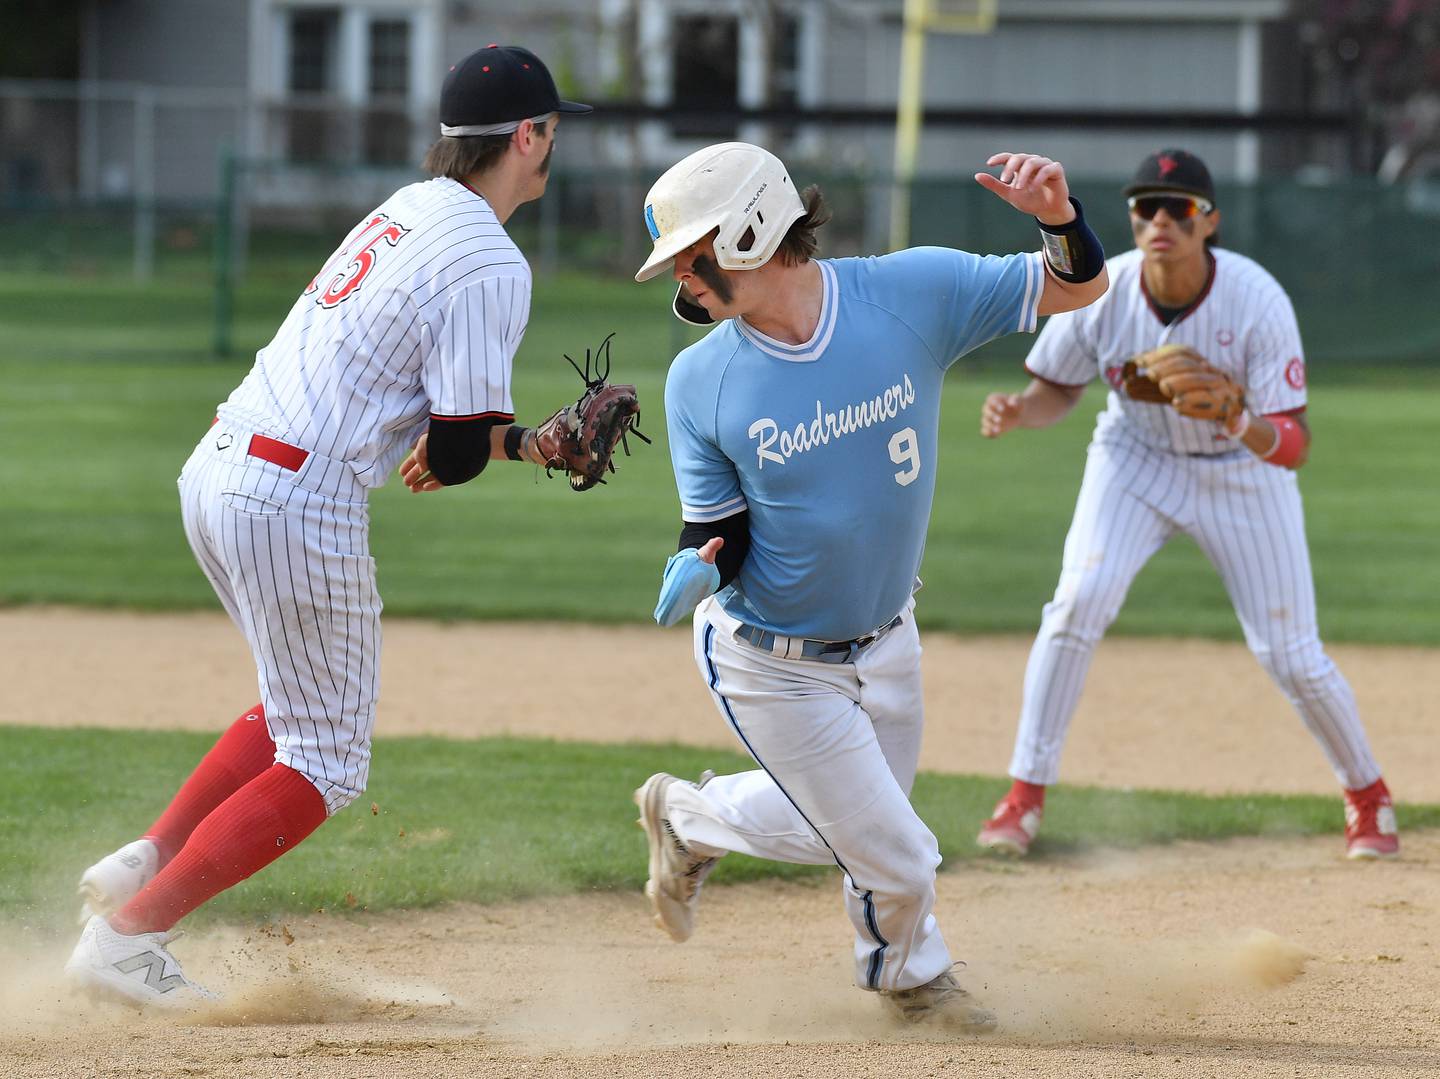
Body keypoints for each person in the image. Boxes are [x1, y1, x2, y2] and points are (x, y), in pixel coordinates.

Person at [66, 44, 596, 1008]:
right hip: (293, 499)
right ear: (525, 136)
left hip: (223, 464)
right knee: (327, 761)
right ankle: (130, 938)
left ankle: (144, 860)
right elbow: (459, 446)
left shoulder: (405, 210)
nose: (552, 147)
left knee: (288, 711)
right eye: (550, 130)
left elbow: (431, 419)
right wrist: (530, 445)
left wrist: (507, 442)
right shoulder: (488, 257)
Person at [630, 142, 1109, 1030]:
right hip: (769, 660)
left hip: (888, 635)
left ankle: (691, 820)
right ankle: (910, 981)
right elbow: (719, 526)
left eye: (693, 259)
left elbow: (1075, 288)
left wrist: (1057, 218)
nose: (683, 283)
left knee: (842, 828)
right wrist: (700, 561)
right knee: (898, 852)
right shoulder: (700, 379)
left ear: (750, 231)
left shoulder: (909, 294)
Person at [973, 148, 1398, 862]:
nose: (1161, 219)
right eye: (1147, 206)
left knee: (1290, 655)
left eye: (1180, 207)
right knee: (1077, 603)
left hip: (1241, 471)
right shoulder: (1104, 290)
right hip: (1135, 458)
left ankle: (1368, 795)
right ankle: (1023, 796)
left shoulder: (1256, 299)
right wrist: (1019, 410)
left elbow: (1292, 443)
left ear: (1210, 221)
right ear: (1133, 218)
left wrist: (1238, 420)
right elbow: (1058, 388)